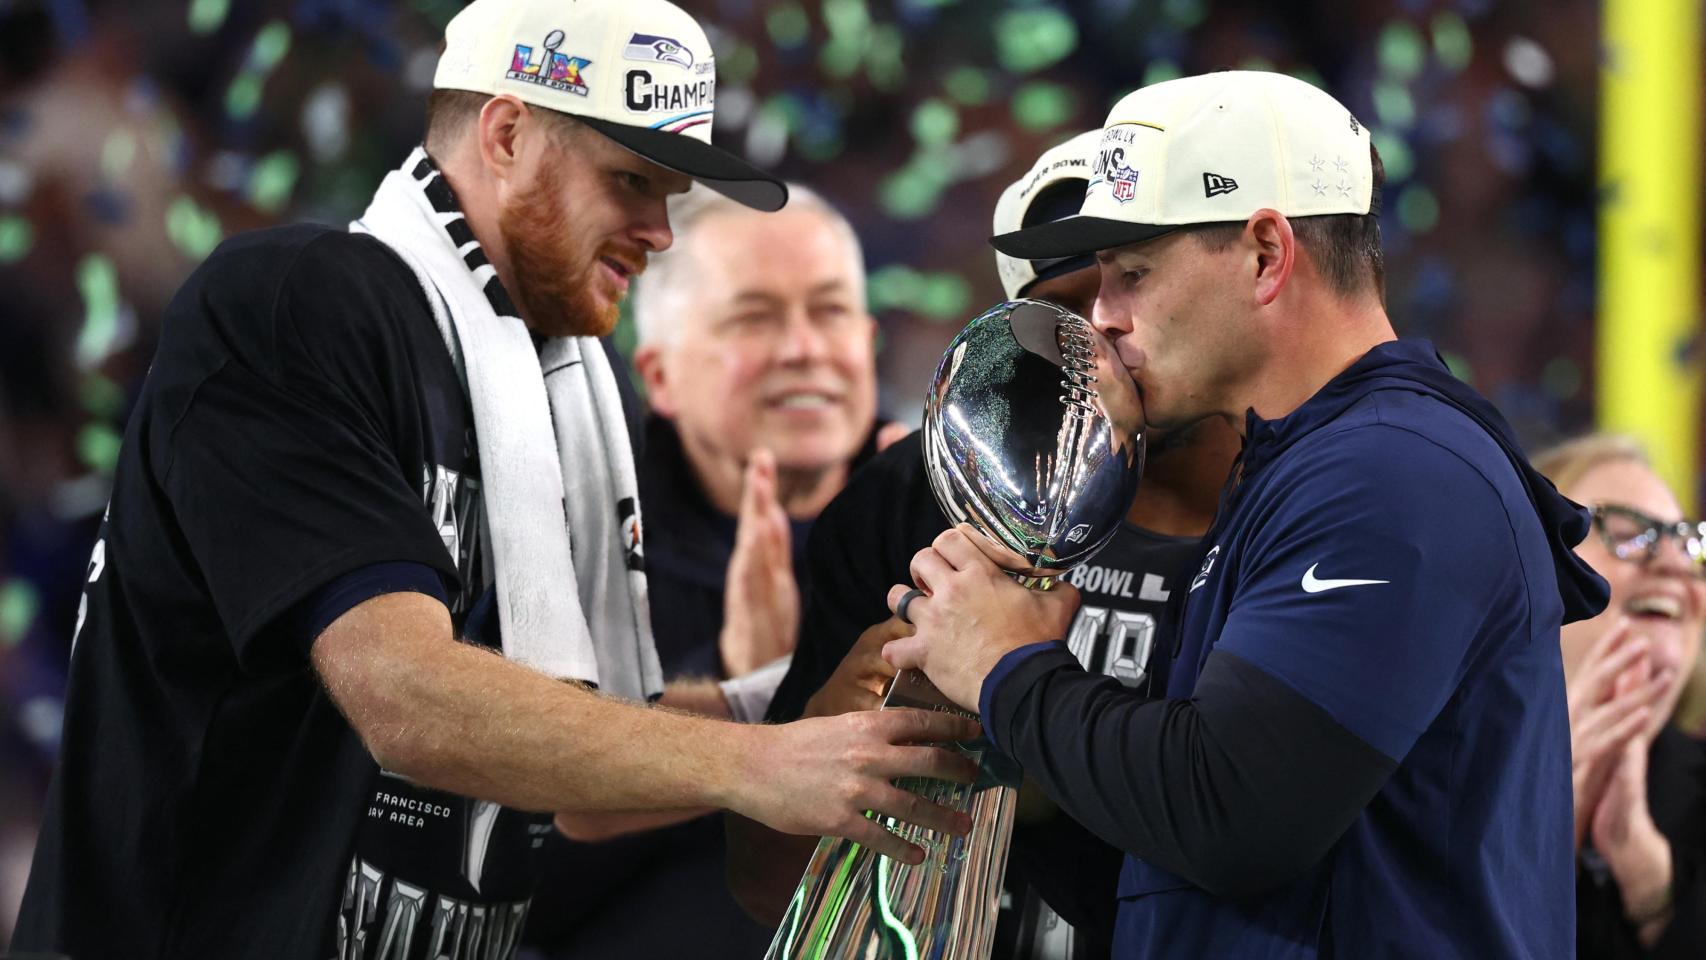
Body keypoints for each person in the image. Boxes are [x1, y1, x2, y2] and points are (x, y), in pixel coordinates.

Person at [10, 2, 981, 957]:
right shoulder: (297, 305)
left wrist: (781, 703)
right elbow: (402, 692)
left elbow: (580, 772)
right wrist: (759, 759)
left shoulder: (559, 384)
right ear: (508, 132)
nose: (660, 231)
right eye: (629, 179)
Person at [882, 70, 1610, 958]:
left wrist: (1008, 670)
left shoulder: (1393, 470)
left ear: (1267, 253)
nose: (1102, 317)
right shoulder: (1305, 468)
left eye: (1133, 273)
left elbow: (1231, 814)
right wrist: (1040, 775)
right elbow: (1180, 883)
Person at [725, 130, 1242, 958]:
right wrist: (833, 725)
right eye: (1062, 320)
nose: (1102, 338)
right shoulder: (910, 498)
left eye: (1132, 279)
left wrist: (1039, 741)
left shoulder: (1302, 503)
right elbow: (765, 881)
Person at [525, 185, 887, 958]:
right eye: (754, 317)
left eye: (829, 311)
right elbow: (523, 858)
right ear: (657, 376)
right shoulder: (567, 541)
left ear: (867, 340)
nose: (805, 349)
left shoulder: (943, 522)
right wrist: (771, 695)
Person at [1532, 434, 1706, 958]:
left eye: (1688, 541)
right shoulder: (1427, 778)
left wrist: (1649, 882)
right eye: (1630, 533)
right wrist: (1543, 831)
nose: (1676, 565)